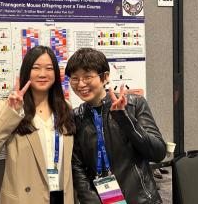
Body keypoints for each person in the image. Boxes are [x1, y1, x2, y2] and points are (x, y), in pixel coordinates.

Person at [66, 47, 166, 204]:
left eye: (87, 77)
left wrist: (124, 118)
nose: (81, 84)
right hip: (102, 199)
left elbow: (158, 152)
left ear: (105, 77)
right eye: (74, 78)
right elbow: (77, 167)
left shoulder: (134, 104)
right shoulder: (76, 117)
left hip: (141, 199)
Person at [0, 45, 76, 204]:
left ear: (56, 74)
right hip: (24, 199)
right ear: (26, 72)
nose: (43, 74)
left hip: (62, 197)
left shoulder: (65, 107)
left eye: (49, 68)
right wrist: (12, 112)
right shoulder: (7, 107)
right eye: (36, 68)